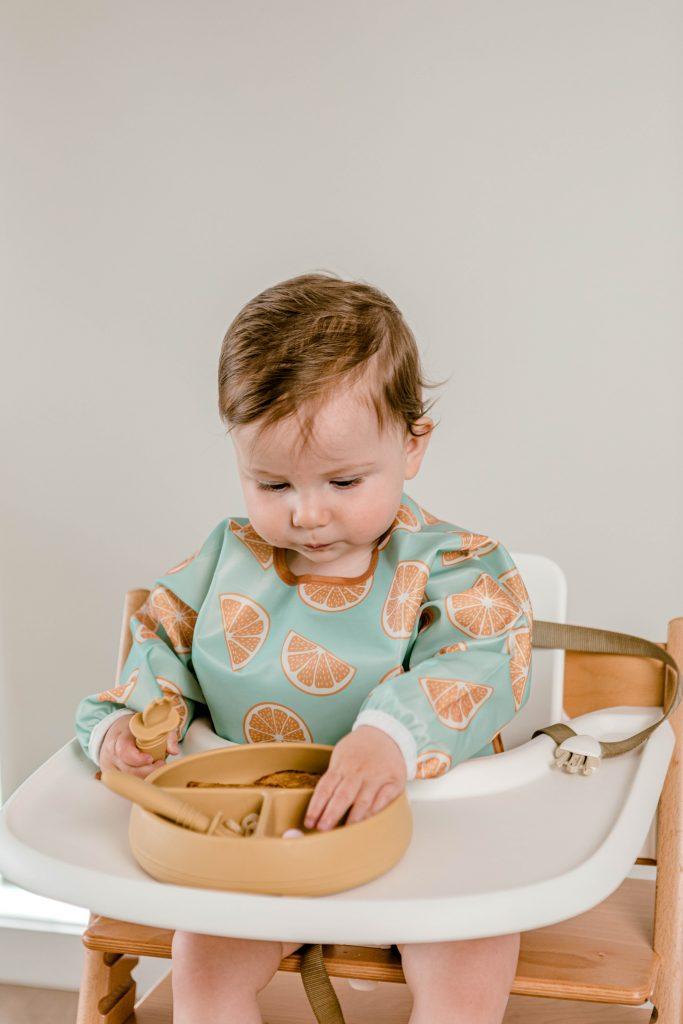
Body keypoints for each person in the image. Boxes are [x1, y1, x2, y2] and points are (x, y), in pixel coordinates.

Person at [75, 271, 533, 1024]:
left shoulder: (452, 566)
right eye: (272, 483)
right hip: (259, 841)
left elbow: (482, 660)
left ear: (412, 446)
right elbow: (157, 646)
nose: (308, 513)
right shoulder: (224, 563)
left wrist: (387, 737)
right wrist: (129, 731)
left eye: (344, 480)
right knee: (204, 972)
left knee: (470, 965)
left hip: (423, 831)